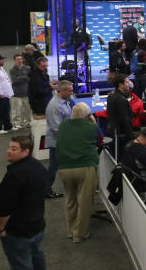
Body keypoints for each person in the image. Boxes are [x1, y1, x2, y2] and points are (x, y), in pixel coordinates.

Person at [0, 135, 49, 270]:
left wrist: (1, 227)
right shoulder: (39, 167)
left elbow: (4, 208)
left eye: (14, 148)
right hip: (37, 223)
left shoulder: (14, 176)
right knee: (36, 255)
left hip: (18, 229)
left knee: (21, 265)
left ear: (26, 151)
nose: (8, 151)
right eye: (9, 147)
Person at [56, 103, 100, 243]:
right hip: (85, 167)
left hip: (64, 168)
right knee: (84, 201)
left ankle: (71, 230)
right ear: (88, 116)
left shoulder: (63, 126)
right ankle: (80, 233)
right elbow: (100, 138)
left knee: (70, 199)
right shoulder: (91, 127)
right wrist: (94, 122)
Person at [43, 80, 74, 199]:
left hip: (64, 139)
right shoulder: (54, 106)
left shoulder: (64, 101)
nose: (72, 93)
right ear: (63, 91)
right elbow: (56, 127)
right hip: (58, 141)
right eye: (70, 91)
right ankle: (46, 189)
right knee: (53, 166)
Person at [106, 74, 135, 152]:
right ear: (120, 84)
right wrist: (131, 135)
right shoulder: (121, 99)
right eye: (126, 82)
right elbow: (124, 119)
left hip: (113, 130)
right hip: (121, 133)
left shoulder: (111, 96)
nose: (128, 84)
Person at [26, 56, 53, 122]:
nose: (45, 68)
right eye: (43, 66)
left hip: (46, 102)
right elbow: (37, 91)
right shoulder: (34, 76)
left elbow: (43, 86)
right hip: (39, 105)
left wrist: (50, 85)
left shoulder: (45, 74)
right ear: (37, 65)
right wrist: (51, 87)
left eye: (46, 66)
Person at [8, 55, 31, 129]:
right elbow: (15, 81)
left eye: (21, 59)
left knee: (28, 109)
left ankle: (28, 122)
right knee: (16, 110)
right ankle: (16, 123)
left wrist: (20, 77)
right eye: (18, 59)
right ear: (14, 60)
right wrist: (25, 77)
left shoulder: (27, 68)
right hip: (17, 93)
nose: (20, 60)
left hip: (27, 92)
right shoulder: (12, 70)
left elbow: (30, 78)